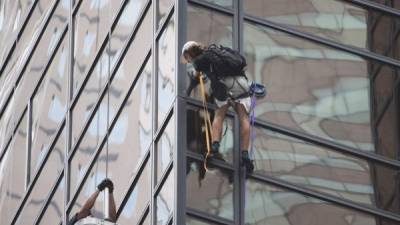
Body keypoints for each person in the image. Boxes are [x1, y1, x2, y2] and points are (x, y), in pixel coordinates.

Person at [182, 41, 254, 173]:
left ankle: (214, 145)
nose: (188, 60)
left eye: (187, 57)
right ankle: (245, 153)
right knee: (244, 118)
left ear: (190, 53)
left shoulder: (199, 60)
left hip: (223, 84)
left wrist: (193, 80)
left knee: (219, 115)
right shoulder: (217, 51)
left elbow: (197, 76)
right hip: (241, 82)